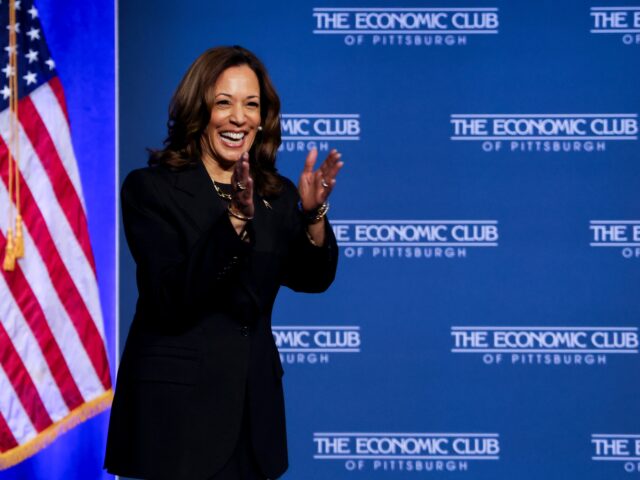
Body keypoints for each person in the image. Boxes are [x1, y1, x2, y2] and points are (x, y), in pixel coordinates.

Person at [104, 46, 343, 480]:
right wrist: (233, 220)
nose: (239, 118)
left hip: (254, 416)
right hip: (178, 419)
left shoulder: (276, 193)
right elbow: (169, 298)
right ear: (198, 109)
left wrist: (311, 215)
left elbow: (313, 278)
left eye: (251, 104)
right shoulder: (151, 190)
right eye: (224, 102)